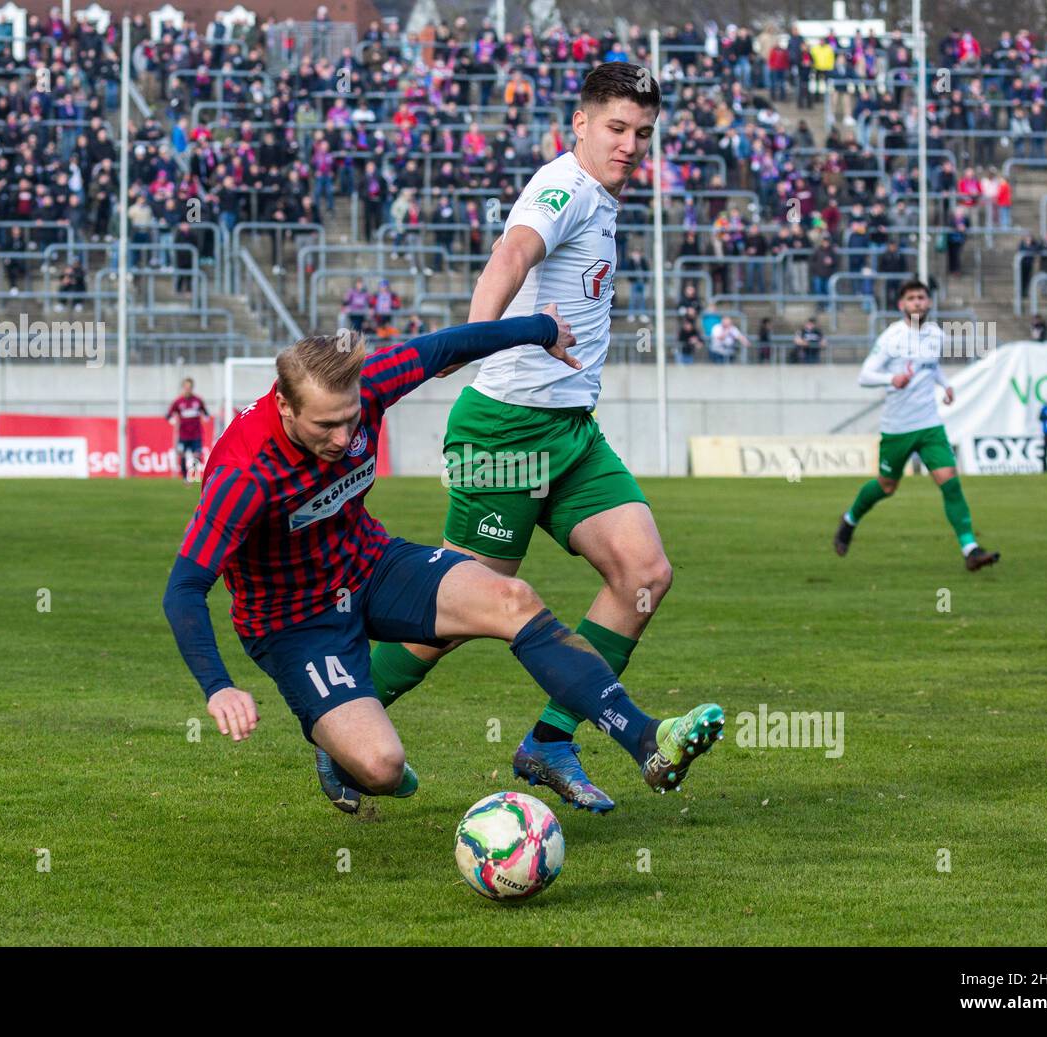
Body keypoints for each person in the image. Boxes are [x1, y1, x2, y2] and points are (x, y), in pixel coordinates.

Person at [161, 312, 724, 811]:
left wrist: (541, 330)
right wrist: (218, 687)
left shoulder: (367, 389)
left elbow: (445, 346)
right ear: (284, 404)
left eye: (350, 419)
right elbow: (184, 589)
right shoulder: (244, 476)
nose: (342, 436)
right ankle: (348, 754)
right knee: (380, 767)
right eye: (324, 425)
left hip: (371, 566)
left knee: (513, 599)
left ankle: (646, 740)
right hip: (295, 625)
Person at [333, 63, 696, 816]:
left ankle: (551, 740)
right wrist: (476, 340)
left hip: (570, 432)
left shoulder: (600, 196)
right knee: (456, 613)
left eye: (643, 133)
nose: (630, 145)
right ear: (582, 126)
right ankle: (342, 722)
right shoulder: (561, 187)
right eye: (617, 129)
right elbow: (512, 255)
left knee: (644, 574)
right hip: (505, 431)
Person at [833, 280, 1000, 570]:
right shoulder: (891, 338)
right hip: (897, 428)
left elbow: (931, 366)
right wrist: (891, 379)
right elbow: (865, 375)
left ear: (929, 303)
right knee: (886, 487)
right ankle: (849, 520)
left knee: (949, 480)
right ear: (901, 306)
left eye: (921, 298)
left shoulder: (936, 335)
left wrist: (945, 385)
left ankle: (970, 549)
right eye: (911, 299)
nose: (917, 303)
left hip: (929, 425)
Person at [166, 377, 210, 483]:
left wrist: (206, 417)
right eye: (186, 387)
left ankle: (193, 475)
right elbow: (168, 414)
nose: (188, 389)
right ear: (183, 387)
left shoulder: (198, 400)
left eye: (189, 387)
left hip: (196, 434)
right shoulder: (178, 402)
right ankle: (185, 477)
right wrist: (171, 420)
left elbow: (205, 412)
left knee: (197, 456)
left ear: (192, 388)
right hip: (183, 435)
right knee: (182, 455)